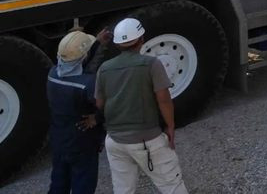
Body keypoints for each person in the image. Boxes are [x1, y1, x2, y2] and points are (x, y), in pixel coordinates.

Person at [94, 18, 188, 194]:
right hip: (147, 139)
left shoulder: (104, 68)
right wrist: (170, 126)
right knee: (172, 186)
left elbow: (99, 103)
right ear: (142, 39)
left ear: (117, 44)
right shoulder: (152, 64)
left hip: (114, 141)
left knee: (123, 190)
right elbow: (163, 99)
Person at [47, 29, 110, 194]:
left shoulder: (52, 74)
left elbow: (79, 64)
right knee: (83, 185)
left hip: (59, 140)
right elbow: (107, 106)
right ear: (84, 57)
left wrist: (97, 44)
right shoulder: (88, 83)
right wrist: (97, 118)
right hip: (83, 143)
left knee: (58, 184)